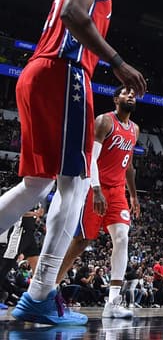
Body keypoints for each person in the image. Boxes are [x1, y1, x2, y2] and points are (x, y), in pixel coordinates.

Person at [0, 0, 146, 325]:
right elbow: (72, 15)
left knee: (37, 184)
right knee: (74, 182)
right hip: (65, 72)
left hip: (39, 74)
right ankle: (41, 293)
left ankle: (40, 293)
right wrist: (117, 62)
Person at [55, 86, 141, 318]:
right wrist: (96, 188)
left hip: (118, 191)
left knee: (122, 238)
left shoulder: (134, 129)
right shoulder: (104, 121)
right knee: (82, 241)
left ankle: (113, 303)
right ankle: (50, 287)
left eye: (133, 94)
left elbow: (129, 165)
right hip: (95, 186)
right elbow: (91, 157)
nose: (131, 96)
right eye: (126, 93)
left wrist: (132, 195)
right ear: (116, 99)